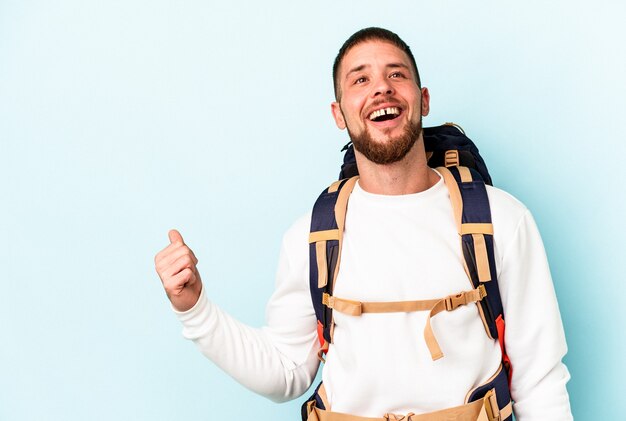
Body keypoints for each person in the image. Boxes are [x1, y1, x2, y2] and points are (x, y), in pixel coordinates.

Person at [155, 27, 572, 420]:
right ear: (339, 114)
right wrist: (195, 310)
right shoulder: (311, 236)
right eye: (360, 79)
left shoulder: (502, 219)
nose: (381, 88)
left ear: (423, 100)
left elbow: (540, 382)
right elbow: (286, 371)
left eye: (396, 74)